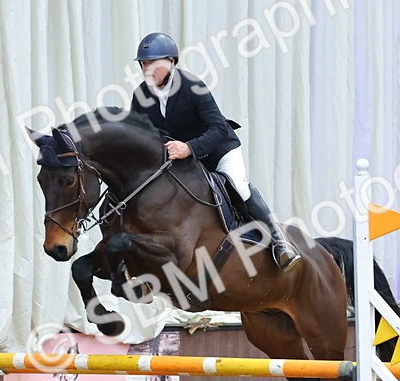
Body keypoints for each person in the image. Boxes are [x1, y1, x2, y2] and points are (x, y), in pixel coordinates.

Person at [128, 32, 301, 270]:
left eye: (153, 64)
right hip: (182, 162)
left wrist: (189, 147)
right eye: (143, 64)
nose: (147, 69)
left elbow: (219, 128)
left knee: (238, 186)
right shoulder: (140, 96)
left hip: (218, 151)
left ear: (171, 62)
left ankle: (280, 243)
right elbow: (140, 137)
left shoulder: (192, 87)